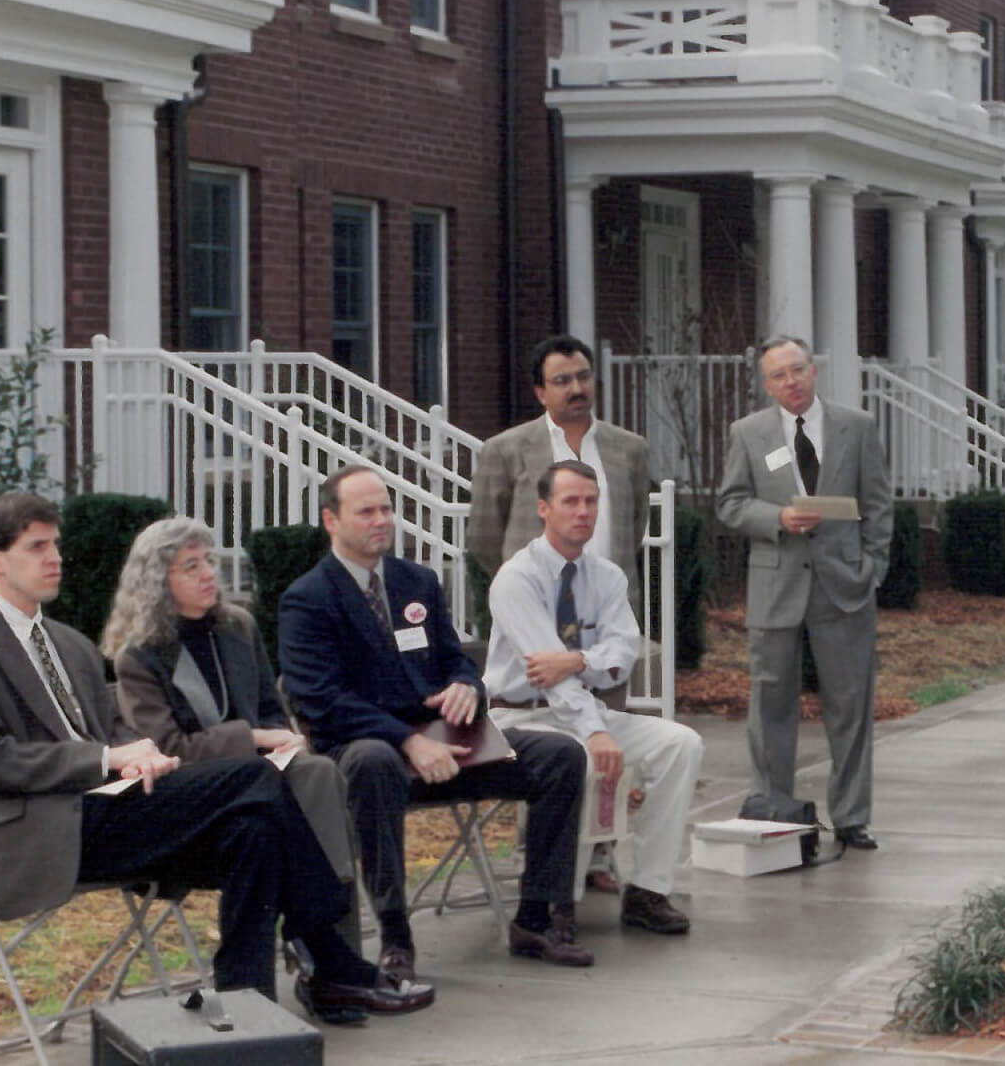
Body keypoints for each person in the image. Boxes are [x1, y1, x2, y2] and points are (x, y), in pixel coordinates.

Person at [0, 493, 432, 1023]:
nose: (56, 558)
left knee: (253, 831)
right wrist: (105, 759)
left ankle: (248, 1011)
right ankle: (333, 957)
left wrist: (137, 755)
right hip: (39, 830)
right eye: (37, 547)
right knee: (253, 778)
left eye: (56, 545)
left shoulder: (69, 643)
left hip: (113, 811)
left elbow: (112, 728)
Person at [278, 465, 592, 980]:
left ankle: (536, 918)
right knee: (373, 762)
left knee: (559, 756)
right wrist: (405, 741)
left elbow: (456, 659)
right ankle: (396, 937)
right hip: (367, 750)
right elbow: (321, 700)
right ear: (331, 520)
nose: (382, 520)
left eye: (386, 508)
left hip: (447, 743)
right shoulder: (307, 599)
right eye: (366, 511)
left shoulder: (415, 581)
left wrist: (468, 687)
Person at [103, 516, 362, 951]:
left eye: (209, 561)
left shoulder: (237, 626)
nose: (209, 574)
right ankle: (331, 950)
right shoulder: (139, 656)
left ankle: (331, 947)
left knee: (316, 771)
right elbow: (167, 749)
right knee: (315, 783)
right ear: (156, 582)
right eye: (191, 566)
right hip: (201, 797)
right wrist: (257, 739)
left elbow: (269, 709)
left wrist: (285, 738)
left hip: (264, 778)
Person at [483, 459, 703, 935]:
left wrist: (579, 661)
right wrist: (596, 726)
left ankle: (648, 890)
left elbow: (624, 653)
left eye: (590, 501)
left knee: (680, 744)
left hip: (582, 707)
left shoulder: (606, 577)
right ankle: (561, 902)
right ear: (544, 509)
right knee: (580, 753)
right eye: (570, 501)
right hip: (518, 720)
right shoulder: (516, 579)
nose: (583, 512)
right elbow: (547, 675)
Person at [715, 336, 893, 850]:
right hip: (777, 585)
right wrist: (777, 518)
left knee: (851, 704)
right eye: (778, 376)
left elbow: (879, 503)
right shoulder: (748, 434)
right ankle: (772, 805)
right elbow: (730, 504)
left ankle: (853, 816)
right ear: (766, 384)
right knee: (770, 702)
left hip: (845, 587)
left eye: (797, 370)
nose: (790, 382)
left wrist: (873, 568)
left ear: (813, 371)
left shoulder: (856, 428)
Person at [467, 335, 651, 614]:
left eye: (583, 377)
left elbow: (634, 527)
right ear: (541, 393)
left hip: (610, 612)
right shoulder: (505, 450)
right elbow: (483, 538)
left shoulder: (629, 449)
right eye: (562, 381)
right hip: (533, 611)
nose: (577, 388)